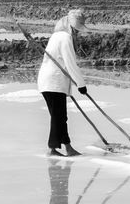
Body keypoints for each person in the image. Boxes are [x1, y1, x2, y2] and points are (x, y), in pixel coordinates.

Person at [37, 9, 89, 157]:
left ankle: (68, 147)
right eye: (77, 30)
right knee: (58, 117)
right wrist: (81, 84)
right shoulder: (65, 38)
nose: (77, 33)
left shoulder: (56, 36)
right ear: (71, 27)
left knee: (60, 116)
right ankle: (52, 149)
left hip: (49, 81)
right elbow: (70, 63)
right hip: (53, 82)